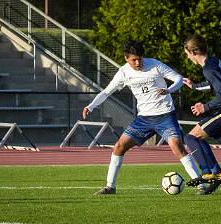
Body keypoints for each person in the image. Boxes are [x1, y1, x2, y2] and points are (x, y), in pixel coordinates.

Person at [82, 40, 202, 195]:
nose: (138, 62)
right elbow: (106, 92)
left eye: (140, 58)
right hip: (144, 119)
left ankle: (200, 184)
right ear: (126, 58)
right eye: (134, 60)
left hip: (165, 115)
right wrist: (90, 106)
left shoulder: (154, 65)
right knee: (119, 146)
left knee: (176, 146)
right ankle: (110, 187)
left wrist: (169, 90)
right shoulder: (124, 72)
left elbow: (178, 79)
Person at [182, 34, 221, 194]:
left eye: (187, 54)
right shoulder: (214, 62)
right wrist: (195, 86)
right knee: (196, 138)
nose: (188, 58)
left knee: (190, 138)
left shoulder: (209, 69)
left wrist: (206, 107)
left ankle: (207, 173)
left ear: (193, 52)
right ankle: (217, 173)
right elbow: (216, 84)